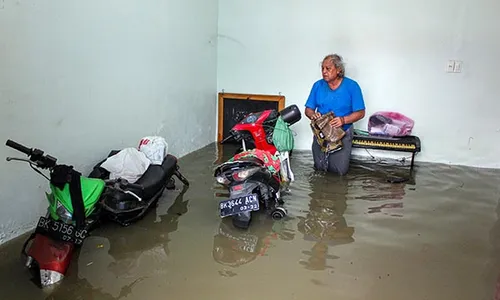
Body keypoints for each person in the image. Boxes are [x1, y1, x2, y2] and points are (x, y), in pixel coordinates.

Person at [304, 54, 366, 175]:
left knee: (339, 171)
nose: (324, 72)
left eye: (328, 68)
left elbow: (361, 113)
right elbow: (308, 109)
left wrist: (343, 120)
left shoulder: (352, 86)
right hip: (321, 133)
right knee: (319, 169)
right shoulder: (318, 85)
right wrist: (313, 115)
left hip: (342, 133)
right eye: (322, 68)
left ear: (339, 70)